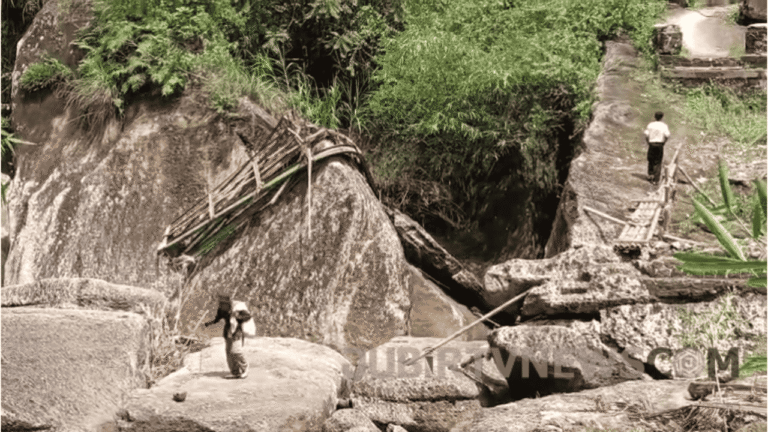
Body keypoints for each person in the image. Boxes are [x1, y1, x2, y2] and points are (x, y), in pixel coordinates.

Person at [205, 295, 256, 379]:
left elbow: (248, 316)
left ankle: (245, 368)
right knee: (229, 353)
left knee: (236, 351)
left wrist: (238, 316)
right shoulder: (222, 309)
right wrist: (209, 323)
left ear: (229, 303)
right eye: (221, 304)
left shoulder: (237, 308)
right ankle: (235, 372)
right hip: (228, 332)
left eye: (224, 304)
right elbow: (218, 318)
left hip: (237, 332)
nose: (222, 306)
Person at [644, 111, 671, 185]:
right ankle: (656, 179)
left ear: (654, 117)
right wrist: (664, 142)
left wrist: (648, 142)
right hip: (659, 144)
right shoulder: (664, 126)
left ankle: (650, 175)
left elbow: (646, 135)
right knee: (658, 161)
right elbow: (667, 135)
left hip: (651, 144)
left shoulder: (650, 125)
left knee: (651, 159)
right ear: (662, 117)